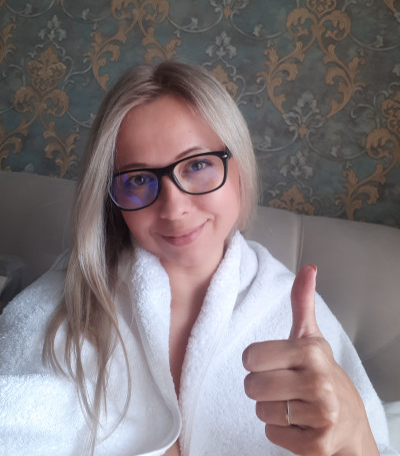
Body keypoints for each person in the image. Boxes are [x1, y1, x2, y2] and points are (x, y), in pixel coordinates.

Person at [0, 61, 397, 456]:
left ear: (240, 169)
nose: (174, 209)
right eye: (138, 179)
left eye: (197, 165)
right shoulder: (60, 304)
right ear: (111, 199)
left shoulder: (293, 315)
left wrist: (355, 438)